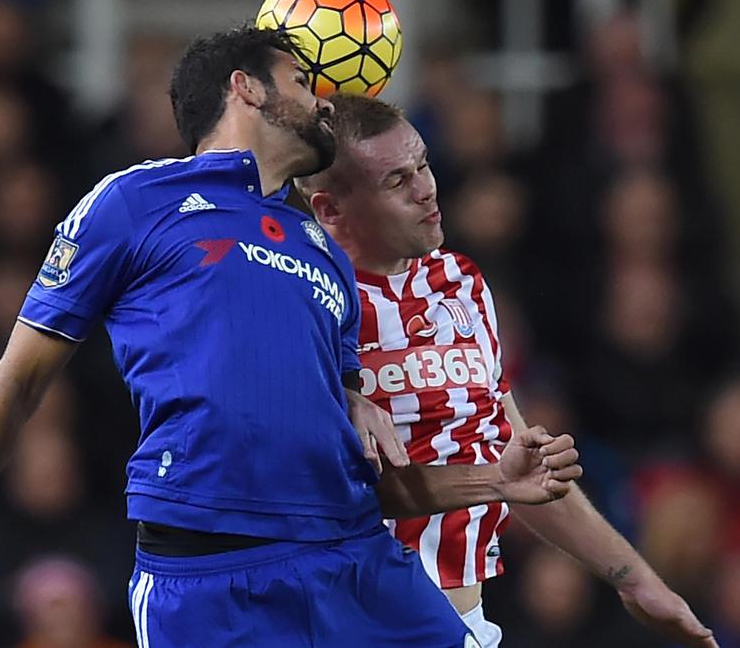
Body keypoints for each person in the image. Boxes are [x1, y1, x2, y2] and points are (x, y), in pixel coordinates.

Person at [0, 25, 583, 648]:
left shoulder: (323, 251)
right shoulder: (133, 202)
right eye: (304, 83)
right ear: (245, 88)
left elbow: (355, 464)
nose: (324, 104)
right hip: (209, 571)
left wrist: (489, 480)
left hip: (352, 559)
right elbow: (15, 382)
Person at [294, 92, 718, 648]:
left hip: (463, 621)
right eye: (396, 182)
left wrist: (636, 582)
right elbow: (322, 491)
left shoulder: (462, 285)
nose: (426, 189)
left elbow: (517, 461)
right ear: (330, 210)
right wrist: (495, 480)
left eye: (423, 164)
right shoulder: (307, 301)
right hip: (347, 625)